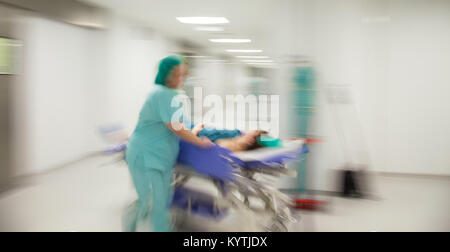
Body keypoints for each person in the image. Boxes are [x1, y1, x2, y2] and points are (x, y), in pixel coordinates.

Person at [123, 55, 212, 232]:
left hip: (160, 158)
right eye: (176, 75)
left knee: (161, 202)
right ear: (165, 74)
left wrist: (195, 131)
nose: (181, 79)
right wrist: (199, 142)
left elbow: (181, 125)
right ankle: (130, 224)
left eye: (182, 74)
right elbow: (176, 127)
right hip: (146, 156)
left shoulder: (170, 95)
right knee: (150, 202)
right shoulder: (162, 94)